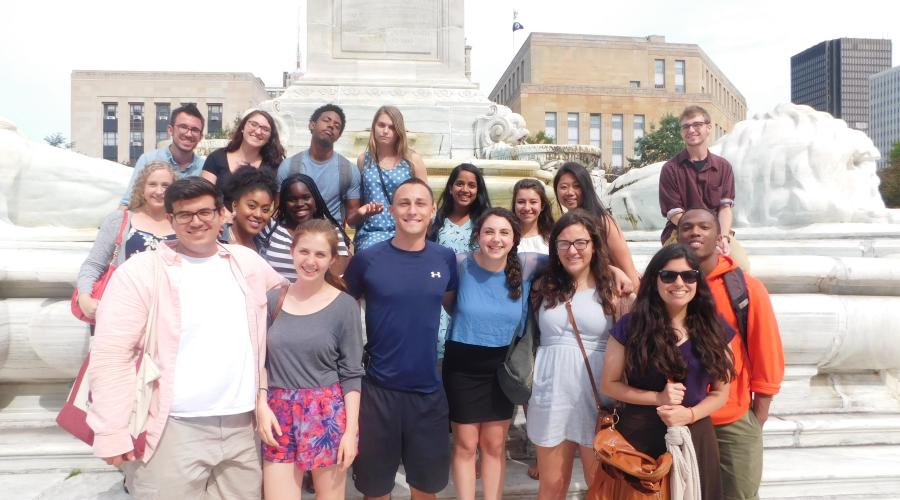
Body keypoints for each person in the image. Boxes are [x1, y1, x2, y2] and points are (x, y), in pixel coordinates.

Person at [87, 177, 286, 499]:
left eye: (205, 212)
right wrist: (111, 430)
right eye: (184, 215)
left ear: (223, 213)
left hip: (242, 428)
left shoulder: (246, 262)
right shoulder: (140, 272)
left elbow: (292, 301)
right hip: (171, 429)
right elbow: (111, 354)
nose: (197, 222)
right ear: (171, 220)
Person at [344, 178, 457, 500]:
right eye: (404, 203)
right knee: (376, 489)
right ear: (392, 210)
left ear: (433, 210)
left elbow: (454, 303)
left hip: (428, 392)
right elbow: (342, 306)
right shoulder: (368, 259)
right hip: (378, 392)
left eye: (420, 203)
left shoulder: (445, 258)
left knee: (426, 488)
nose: (412, 210)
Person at [600, 243, 736, 500]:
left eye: (688, 276)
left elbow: (721, 392)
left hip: (695, 436)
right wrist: (658, 399)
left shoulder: (715, 329)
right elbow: (609, 384)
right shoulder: (631, 326)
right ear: (655, 280)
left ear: (698, 280)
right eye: (668, 275)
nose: (679, 283)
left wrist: (689, 414)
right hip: (641, 437)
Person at [676, 208, 784, 500]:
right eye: (687, 227)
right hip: (679, 419)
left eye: (704, 227)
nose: (695, 232)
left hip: (731, 420)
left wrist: (757, 415)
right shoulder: (667, 285)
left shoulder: (745, 288)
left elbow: (767, 349)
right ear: (677, 235)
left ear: (718, 235)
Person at [526, 209, 631, 500]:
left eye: (581, 243)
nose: (572, 250)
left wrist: (613, 270)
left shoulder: (613, 290)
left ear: (594, 245)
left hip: (597, 396)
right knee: (552, 485)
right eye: (564, 243)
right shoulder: (541, 285)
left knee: (600, 486)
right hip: (551, 394)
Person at [257, 219, 364, 500]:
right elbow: (261, 361)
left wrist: (350, 432)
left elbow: (352, 373)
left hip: (326, 412)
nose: (310, 261)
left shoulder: (344, 306)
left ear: (331, 259)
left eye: (320, 254)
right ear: (292, 251)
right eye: (304, 252)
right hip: (278, 410)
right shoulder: (272, 300)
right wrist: (262, 404)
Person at [442, 208, 543, 500]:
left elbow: (574, 260)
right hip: (462, 364)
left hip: (502, 368)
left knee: (494, 443)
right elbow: (446, 299)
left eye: (504, 233)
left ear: (514, 239)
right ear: (478, 236)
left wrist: (615, 270)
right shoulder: (460, 264)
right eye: (489, 232)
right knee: (464, 443)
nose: (496, 239)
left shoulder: (528, 264)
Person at [76, 161, 177, 320]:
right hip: (122, 310)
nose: (159, 191)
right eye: (152, 184)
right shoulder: (119, 220)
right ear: (142, 188)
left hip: (167, 313)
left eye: (165, 185)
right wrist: (84, 297)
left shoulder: (182, 223)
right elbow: (93, 264)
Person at [659, 105, 750, 270]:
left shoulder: (723, 167)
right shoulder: (670, 169)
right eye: (686, 126)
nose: (691, 130)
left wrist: (722, 237)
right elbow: (675, 214)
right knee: (671, 271)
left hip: (716, 232)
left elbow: (725, 208)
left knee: (741, 267)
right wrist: (703, 237)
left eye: (697, 125)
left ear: (708, 128)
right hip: (680, 232)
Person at [429, 163, 492, 357]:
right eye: (459, 184)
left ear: (478, 190)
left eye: (471, 185)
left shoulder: (485, 221)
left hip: (473, 292)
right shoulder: (436, 220)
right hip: (440, 295)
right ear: (450, 187)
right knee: (440, 350)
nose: (465, 189)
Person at [352, 105, 428, 251]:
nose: (385, 131)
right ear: (374, 127)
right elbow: (360, 200)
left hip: (405, 230)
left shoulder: (412, 160)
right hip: (371, 232)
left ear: (398, 131)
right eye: (381, 125)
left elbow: (425, 201)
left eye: (392, 127)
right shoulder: (364, 160)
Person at [553, 162, 640, 285]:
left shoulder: (603, 222)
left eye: (576, 186)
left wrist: (637, 300)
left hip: (608, 293)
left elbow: (627, 268)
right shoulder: (563, 225)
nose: (570, 192)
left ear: (586, 188)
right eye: (563, 187)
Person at [276, 104, 360, 226]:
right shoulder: (288, 166)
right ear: (312, 125)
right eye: (326, 120)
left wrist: (363, 213)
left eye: (337, 126)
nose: (331, 125)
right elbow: (279, 210)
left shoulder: (350, 171)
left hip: (331, 236)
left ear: (339, 135)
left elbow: (352, 219)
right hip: (294, 234)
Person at [261, 174, 351, 280]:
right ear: (284, 203)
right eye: (292, 199)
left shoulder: (331, 232)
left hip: (315, 295)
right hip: (272, 295)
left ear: (315, 199)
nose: (299, 204)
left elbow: (335, 278)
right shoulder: (269, 228)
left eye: (306, 197)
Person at [120, 103, 206, 206]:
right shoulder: (148, 160)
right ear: (170, 130)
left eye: (195, 130)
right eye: (183, 127)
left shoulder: (205, 168)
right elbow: (128, 203)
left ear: (200, 136)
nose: (188, 134)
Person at [201, 110, 284, 206]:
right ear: (242, 127)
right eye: (253, 124)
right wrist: (225, 215)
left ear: (270, 137)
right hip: (220, 218)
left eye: (265, 129)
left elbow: (277, 204)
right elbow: (204, 195)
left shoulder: (274, 164)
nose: (258, 131)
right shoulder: (215, 158)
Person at [219, 166, 278, 253]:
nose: (258, 214)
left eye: (265, 209)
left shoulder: (263, 247)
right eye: (252, 206)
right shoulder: (217, 238)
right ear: (235, 205)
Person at [512, 178, 554, 255]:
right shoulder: (505, 237)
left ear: (542, 206)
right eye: (521, 202)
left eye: (533, 202)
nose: (527, 208)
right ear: (514, 205)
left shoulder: (554, 238)